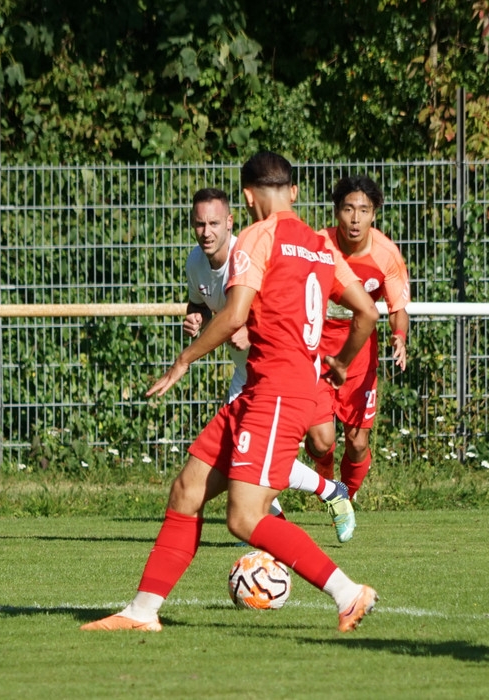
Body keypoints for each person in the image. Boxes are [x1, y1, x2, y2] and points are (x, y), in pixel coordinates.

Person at [81, 152, 380, 633]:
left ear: (246, 196)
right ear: (293, 192)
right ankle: (142, 612)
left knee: (244, 518)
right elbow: (367, 312)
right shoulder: (322, 246)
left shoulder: (258, 237)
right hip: (265, 390)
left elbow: (236, 313)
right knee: (187, 490)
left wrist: (184, 359)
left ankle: (348, 593)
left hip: (275, 394)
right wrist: (341, 363)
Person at [184, 187, 356, 541]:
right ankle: (279, 535)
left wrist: (250, 330)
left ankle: (327, 494)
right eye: (200, 224)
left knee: (312, 444)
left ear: (229, 222)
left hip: (280, 371)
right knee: (246, 460)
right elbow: (200, 302)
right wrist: (197, 317)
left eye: (214, 223)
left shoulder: (250, 248)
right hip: (246, 375)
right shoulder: (195, 262)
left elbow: (281, 302)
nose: (207, 232)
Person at [309, 175, 410, 500]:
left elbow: (398, 308)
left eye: (363, 210)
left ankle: (346, 496)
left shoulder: (386, 254)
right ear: (336, 211)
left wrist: (399, 335)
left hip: (359, 357)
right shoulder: (317, 246)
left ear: (374, 214)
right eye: (348, 209)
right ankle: (327, 485)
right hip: (318, 354)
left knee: (357, 443)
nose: (355, 219)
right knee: (320, 440)